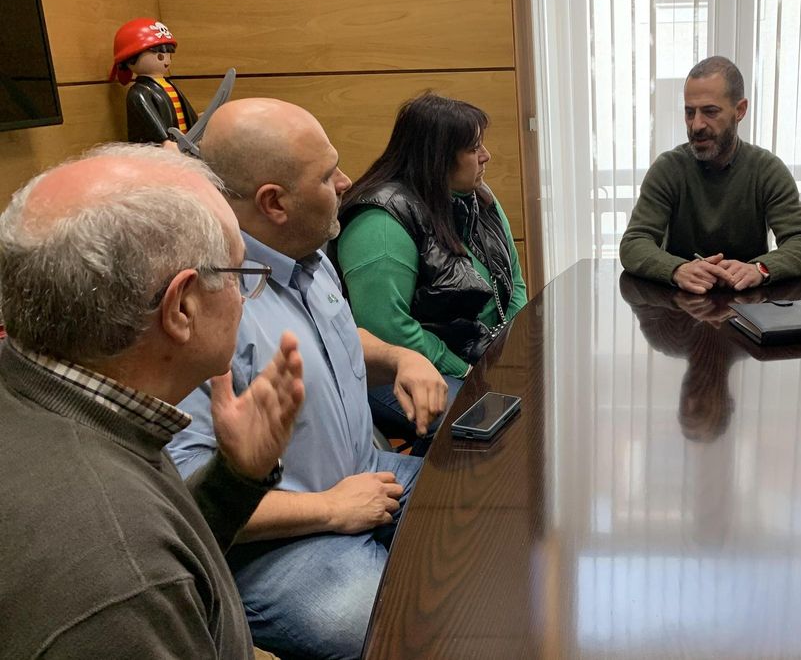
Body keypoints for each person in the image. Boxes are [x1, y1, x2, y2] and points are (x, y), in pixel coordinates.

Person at [167, 97, 446, 660]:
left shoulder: (306, 255)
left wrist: (399, 358)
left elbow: (334, 342)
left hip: (363, 476)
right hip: (278, 540)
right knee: (408, 634)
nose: (346, 182)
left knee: (484, 524)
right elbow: (186, 502)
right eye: (327, 175)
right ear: (274, 202)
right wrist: (330, 509)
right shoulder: (209, 304)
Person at [0, 143, 304, 657]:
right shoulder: (118, 581)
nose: (245, 297)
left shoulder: (68, 393)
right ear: (182, 307)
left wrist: (234, 481)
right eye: (239, 275)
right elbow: (132, 564)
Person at [334, 92, 527, 426]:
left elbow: (515, 282)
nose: (486, 156)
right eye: (473, 148)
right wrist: (468, 371)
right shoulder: (381, 220)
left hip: (476, 357)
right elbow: (387, 328)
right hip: (402, 371)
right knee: (489, 426)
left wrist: (511, 357)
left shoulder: (479, 197)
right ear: (437, 158)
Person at [619, 55, 801, 294]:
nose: (696, 125)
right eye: (689, 112)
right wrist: (677, 269)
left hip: (751, 307)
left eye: (710, 111)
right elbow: (634, 243)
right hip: (678, 308)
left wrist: (760, 269)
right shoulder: (668, 168)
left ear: (740, 110)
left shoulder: (766, 169)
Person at [110, 18, 197, 145]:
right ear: (130, 60)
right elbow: (151, 120)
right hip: (159, 150)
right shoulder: (138, 92)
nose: (166, 61)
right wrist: (164, 141)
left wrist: (196, 125)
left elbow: (185, 109)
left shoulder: (168, 85)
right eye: (160, 56)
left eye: (169, 55)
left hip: (182, 143)